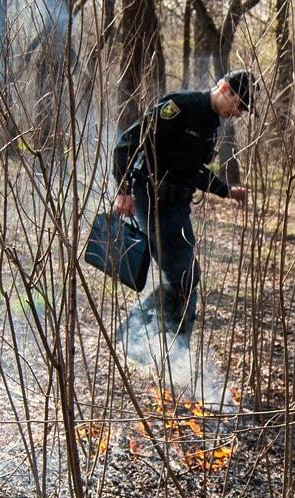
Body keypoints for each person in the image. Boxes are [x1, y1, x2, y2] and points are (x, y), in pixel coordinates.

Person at [112, 70, 255, 359]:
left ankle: (141, 337)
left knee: (186, 276)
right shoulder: (179, 105)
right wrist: (123, 189)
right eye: (239, 105)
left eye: (243, 111)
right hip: (151, 200)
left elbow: (194, 172)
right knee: (183, 276)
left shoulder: (212, 126)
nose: (238, 114)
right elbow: (127, 143)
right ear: (225, 88)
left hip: (177, 207)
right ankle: (168, 351)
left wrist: (227, 191)